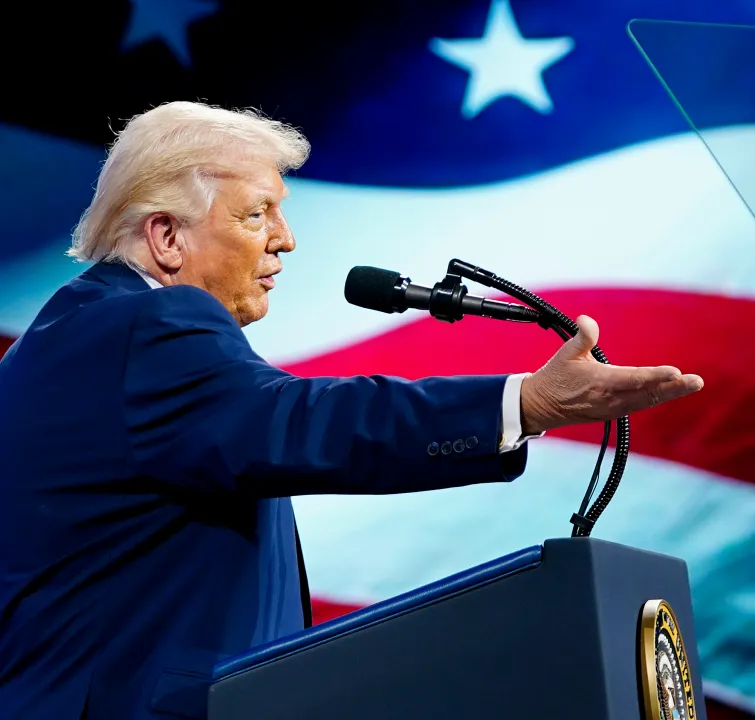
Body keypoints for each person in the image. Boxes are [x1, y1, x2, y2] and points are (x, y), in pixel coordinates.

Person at [0, 101, 703, 719]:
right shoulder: (145, 328)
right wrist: (526, 401)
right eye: (256, 213)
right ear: (166, 236)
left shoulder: (67, 341)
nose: (284, 238)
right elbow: (305, 420)